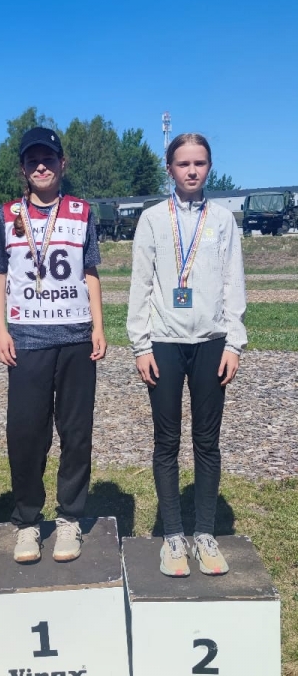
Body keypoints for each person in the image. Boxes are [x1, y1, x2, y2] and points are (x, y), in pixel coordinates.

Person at [0, 126, 106, 564]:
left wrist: (98, 325)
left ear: (62, 164)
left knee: (76, 433)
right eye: (32, 160)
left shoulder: (82, 212)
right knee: (26, 435)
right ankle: (28, 522)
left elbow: (90, 270)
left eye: (48, 159)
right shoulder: (6, 215)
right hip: (27, 338)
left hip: (75, 337)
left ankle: (70, 517)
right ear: (23, 168)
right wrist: (0, 330)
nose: (41, 166)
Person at [127, 133, 246, 577]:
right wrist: (141, 344)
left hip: (211, 341)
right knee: (167, 441)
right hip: (164, 342)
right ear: (169, 169)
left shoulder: (223, 220)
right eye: (183, 164)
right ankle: (174, 535)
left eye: (199, 163)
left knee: (207, 442)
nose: (192, 171)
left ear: (209, 167)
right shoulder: (153, 219)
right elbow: (140, 284)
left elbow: (234, 282)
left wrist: (233, 342)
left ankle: (205, 534)